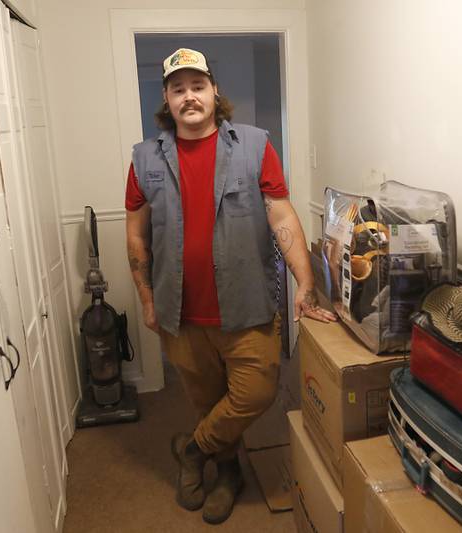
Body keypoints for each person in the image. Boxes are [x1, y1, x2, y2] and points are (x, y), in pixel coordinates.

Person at [125, 48, 336, 524]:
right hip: (181, 314)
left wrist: (305, 282)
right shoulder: (144, 159)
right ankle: (228, 474)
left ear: (214, 91)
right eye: (178, 89)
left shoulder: (255, 145)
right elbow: (136, 235)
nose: (189, 96)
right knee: (208, 403)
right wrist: (146, 300)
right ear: (166, 99)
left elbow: (281, 215)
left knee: (255, 393)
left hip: (248, 308)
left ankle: (193, 450)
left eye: (197, 86)